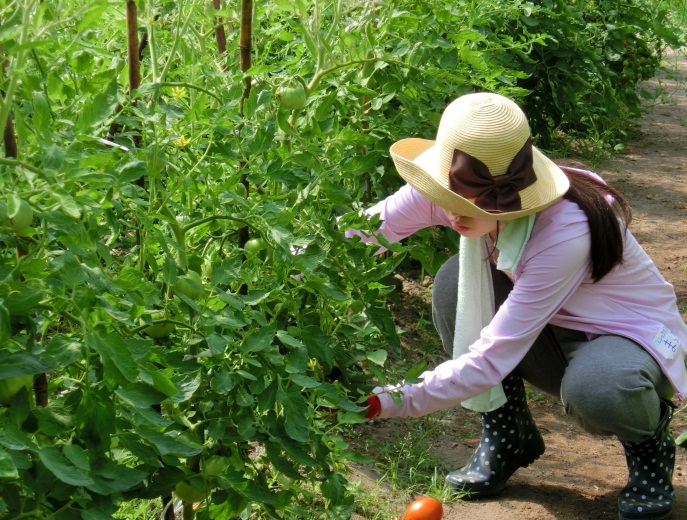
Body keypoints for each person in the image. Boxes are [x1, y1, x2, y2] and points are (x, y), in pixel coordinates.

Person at [352, 92, 687, 520]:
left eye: (472, 204)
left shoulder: (565, 231)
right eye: (448, 198)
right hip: (550, 327)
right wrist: (278, 274)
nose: (454, 213)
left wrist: (385, 402)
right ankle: (507, 436)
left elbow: (491, 358)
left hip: (623, 338)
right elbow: (359, 235)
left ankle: (649, 445)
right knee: (456, 280)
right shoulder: (448, 184)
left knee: (602, 390)